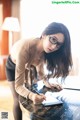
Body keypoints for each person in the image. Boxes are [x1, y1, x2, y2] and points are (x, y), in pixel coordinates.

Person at [5, 22, 72, 120]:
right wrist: (31, 96)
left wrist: (47, 82)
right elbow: (18, 86)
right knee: (17, 100)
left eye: (58, 45)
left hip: (29, 66)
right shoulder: (25, 48)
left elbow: (40, 68)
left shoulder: (46, 50)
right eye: (53, 39)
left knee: (34, 97)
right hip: (13, 65)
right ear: (44, 34)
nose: (54, 47)